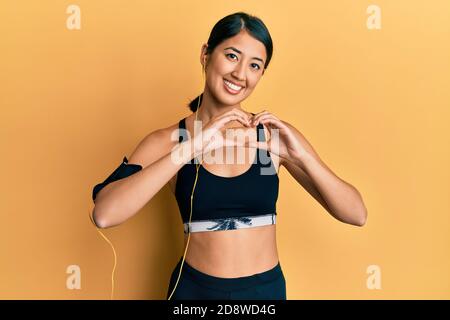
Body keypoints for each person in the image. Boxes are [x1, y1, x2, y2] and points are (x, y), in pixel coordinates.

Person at [91, 12, 368, 300]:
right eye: (232, 56)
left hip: (265, 296)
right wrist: (191, 147)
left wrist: (304, 158)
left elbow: (356, 214)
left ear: (261, 74)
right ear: (206, 54)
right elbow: (104, 214)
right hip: (194, 294)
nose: (240, 73)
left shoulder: (272, 139)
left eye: (254, 65)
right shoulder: (169, 141)